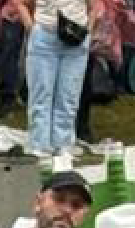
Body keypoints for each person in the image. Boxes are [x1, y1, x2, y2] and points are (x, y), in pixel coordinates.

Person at [23, 0, 90, 159]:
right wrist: (31, 28)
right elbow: (21, 3)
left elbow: (96, 7)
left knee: (68, 96)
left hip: (76, 36)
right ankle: (39, 145)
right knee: (41, 94)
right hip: (45, 34)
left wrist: (88, 29)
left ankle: (64, 145)